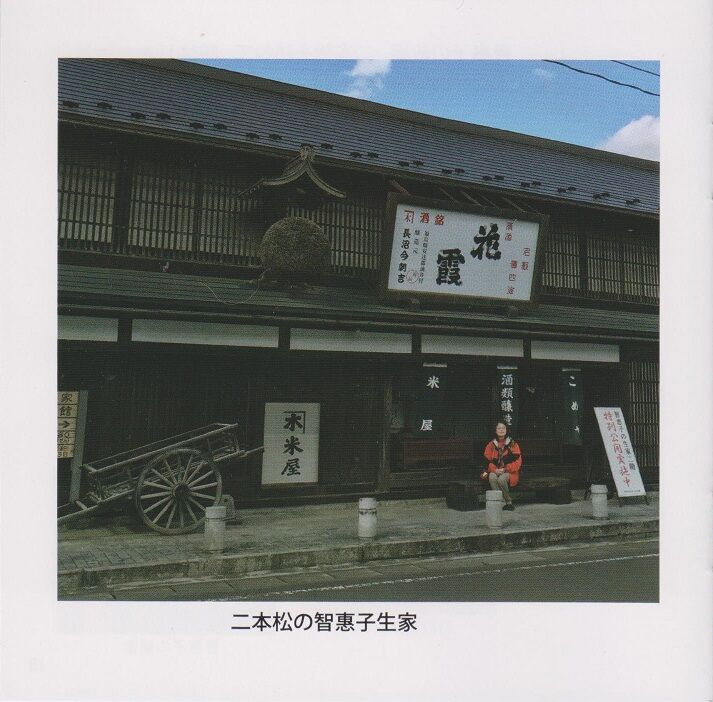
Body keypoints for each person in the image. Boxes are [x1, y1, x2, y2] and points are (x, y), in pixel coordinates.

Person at [481, 421, 522, 511]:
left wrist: (505, 469)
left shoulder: (512, 444)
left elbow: (518, 462)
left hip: (510, 472)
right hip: (496, 470)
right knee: (492, 476)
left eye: (503, 428)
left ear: (506, 430)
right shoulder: (491, 444)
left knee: (501, 479)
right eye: (499, 428)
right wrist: (495, 470)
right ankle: (500, 502)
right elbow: (487, 461)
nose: (501, 430)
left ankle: (508, 502)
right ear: (495, 431)